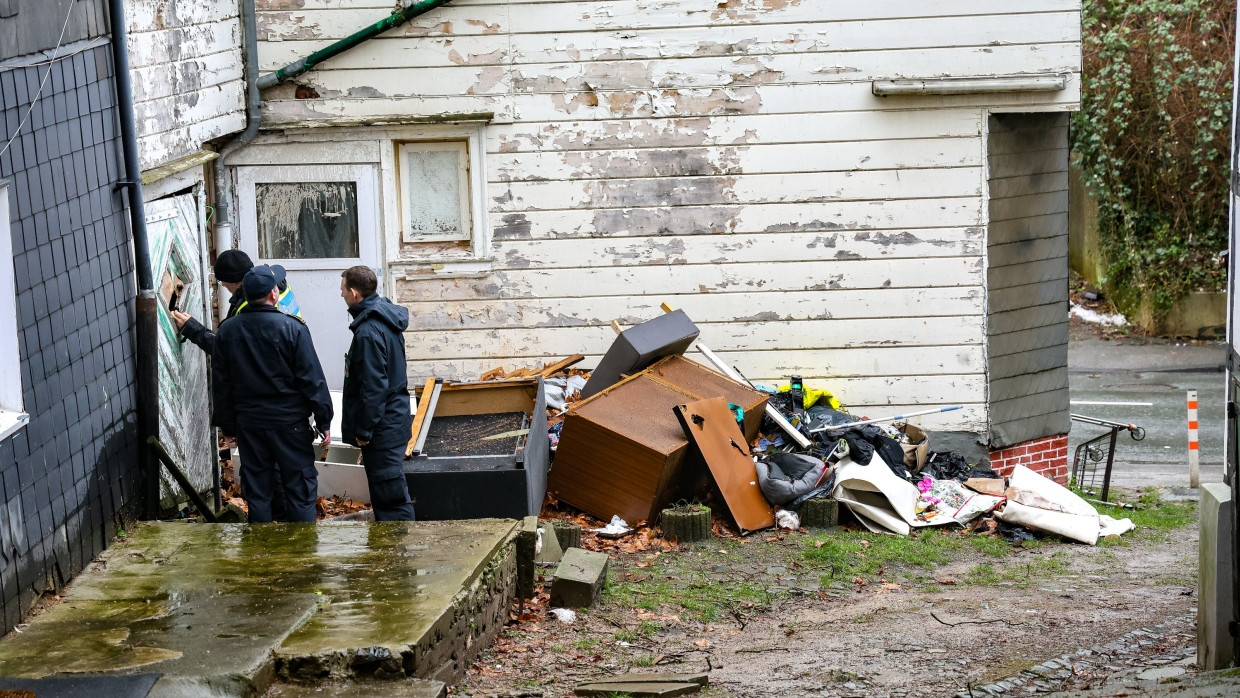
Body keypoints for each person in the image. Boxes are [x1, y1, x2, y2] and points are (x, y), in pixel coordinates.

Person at [213, 264, 333, 523]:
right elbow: (312, 380)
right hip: (289, 424)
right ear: (273, 294)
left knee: (258, 491)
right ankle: (302, 555)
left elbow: (221, 385)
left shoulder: (228, 331)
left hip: (250, 424)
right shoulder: (293, 329)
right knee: (299, 489)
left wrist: (227, 426)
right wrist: (324, 420)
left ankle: (261, 554)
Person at [339, 265, 416, 521]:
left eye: (342, 290)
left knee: (391, 499)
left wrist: (364, 431)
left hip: (383, 428)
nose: (341, 296)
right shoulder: (384, 318)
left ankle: (399, 555)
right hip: (394, 419)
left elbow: (374, 388)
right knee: (388, 494)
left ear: (354, 293)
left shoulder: (368, 332)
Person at [172, 251, 301, 352]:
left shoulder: (251, 307)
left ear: (234, 282)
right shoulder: (278, 287)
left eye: (223, 281)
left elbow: (227, 349)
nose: (222, 285)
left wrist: (192, 328)